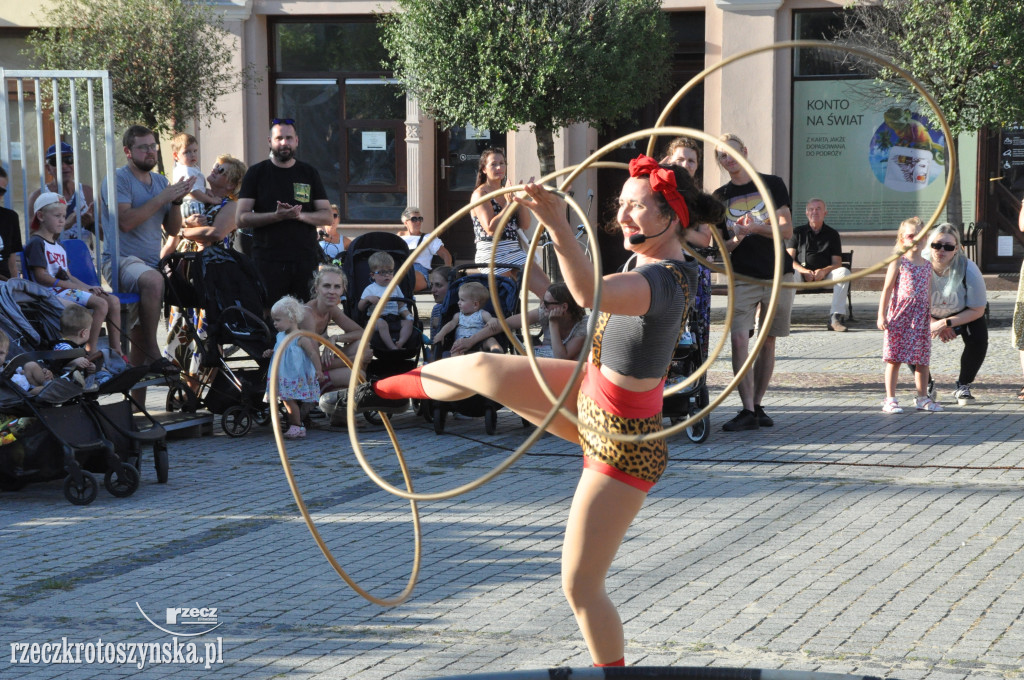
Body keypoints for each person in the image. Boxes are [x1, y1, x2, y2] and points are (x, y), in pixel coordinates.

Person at [343, 154, 723, 667]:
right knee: (484, 368)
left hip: (626, 442)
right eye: (621, 205)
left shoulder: (667, 280)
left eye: (636, 207)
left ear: (670, 217)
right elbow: (570, 293)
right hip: (591, 390)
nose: (624, 216)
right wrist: (531, 254)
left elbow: (589, 293)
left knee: (580, 585)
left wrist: (557, 226)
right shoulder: (643, 261)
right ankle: (375, 392)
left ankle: (612, 675)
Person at [713, 133, 794, 431]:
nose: (727, 159)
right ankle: (746, 409)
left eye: (731, 152)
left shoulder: (771, 184)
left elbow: (785, 230)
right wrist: (737, 236)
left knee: (767, 341)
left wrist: (757, 227)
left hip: (778, 274)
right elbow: (721, 247)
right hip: (743, 276)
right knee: (738, 339)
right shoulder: (719, 197)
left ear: (744, 151)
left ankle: (757, 405)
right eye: (721, 155)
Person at [101, 124, 193, 389]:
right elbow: (126, 222)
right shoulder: (118, 178)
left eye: (153, 146)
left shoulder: (161, 182)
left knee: (139, 334)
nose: (151, 152)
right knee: (154, 280)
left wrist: (175, 202)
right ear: (128, 151)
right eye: (144, 147)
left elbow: (174, 230)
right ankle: (156, 351)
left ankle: (135, 412)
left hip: (148, 265)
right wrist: (162, 197)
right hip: (118, 261)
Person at [236, 119, 332, 304]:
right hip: (267, 260)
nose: (284, 143)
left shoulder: (309, 173)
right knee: (269, 317)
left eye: (289, 138)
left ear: (297, 141)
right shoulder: (256, 173)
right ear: (270, 141)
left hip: (305, 260)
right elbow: (241, 218)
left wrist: (299, 215)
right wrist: (276, 216)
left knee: (306, 316)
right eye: (279, 138)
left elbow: (327, 215)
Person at [25, 192, 124, 359]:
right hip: (50, 293)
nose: (62, 220)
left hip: (64, 290)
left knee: (113, 301)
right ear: (41, 216)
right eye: (57, 215)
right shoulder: (36, 243)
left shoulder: (59, 246)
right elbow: (41, 276)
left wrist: (88, 287)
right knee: (101, 304)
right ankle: (90, 350)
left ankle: (116, 351)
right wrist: (72, 286)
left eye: (64, 216)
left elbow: (68, 275)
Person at [877, 217, 941, 413]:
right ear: (902, 238)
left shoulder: (927, 265)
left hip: (920, 317)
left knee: (922, 359)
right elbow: (887, 289)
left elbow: (928, 293)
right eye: (911, 236)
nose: (915, 239)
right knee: (894, 358)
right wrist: (881, 315)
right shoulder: (898, 262)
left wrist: (930, 317)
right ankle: (890, 398)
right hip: (900, 315)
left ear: (926, 238)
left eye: (920, 236)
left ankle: (922, 397)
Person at [470, 148, 550, 298]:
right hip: (491, 253)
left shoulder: (508, 191)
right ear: (484, 169)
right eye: (493, 164)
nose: (499, 168)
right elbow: (491, 229)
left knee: (549, 293)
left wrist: (521, 200)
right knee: (505, 301)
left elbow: (525, 225)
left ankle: (546, 318)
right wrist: (508, 204)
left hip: (514, 251)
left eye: (502, 163)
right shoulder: (480, 194)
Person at [923, 223, 987, 405]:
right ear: (929, 245)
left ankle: (963, 385)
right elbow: (909, 305)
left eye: (948, 247)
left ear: (956, 249)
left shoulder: (969, 269)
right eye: (936, 245)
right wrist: (933, 322)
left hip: (962, 313)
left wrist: (945, 323)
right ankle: (925, 385)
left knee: (978, 337)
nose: (941, 250)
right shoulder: (920, 266)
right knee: (909, 335)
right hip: (926, 314)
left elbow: (978, 309)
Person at [662, 136, 714, 360]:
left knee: (694, 332)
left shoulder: (701, 199)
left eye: (691, 161)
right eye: (680, 159)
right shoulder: (658, 192)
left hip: (693, 268)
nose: (685, 165)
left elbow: (705, 240)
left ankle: (693, 381)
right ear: (669, 160)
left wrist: (676, 230)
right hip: (663, 267)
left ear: (697, 166)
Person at [452, 281, 588, 361]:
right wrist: (471, 341)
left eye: (547, 303)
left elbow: (562, 358)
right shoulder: (544, 312)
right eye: (542, 301)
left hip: (567, 375)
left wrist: (553, 324)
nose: (542, 306)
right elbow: (505, 324)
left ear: (564, 307)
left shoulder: (582, 325)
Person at [786, 198, 851, 332]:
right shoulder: (797, 233)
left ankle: (835, 318)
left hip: (825, 276)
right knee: (788, 273)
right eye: (811, 209)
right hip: (801, 276)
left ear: (825, 213)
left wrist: (824, 271)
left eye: (818, 209)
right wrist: (803, 271)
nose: (814, 212)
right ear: (806, 213)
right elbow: (788, 259)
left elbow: (837, 262)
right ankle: (784, 319)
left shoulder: (832, 234)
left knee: (844, 273)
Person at [263, 295, 323, 439]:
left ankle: (297, 426)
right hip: (283, 374)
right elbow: (280, 350)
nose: (274, 324)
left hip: (294, 375)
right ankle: (296, 425)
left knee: (288, 400)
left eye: (278, 320)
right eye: (274, 320)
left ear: (292, 318)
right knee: (287, 399)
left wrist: (319, 370)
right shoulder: (280, 336)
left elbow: (313, 354)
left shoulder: (300, 337)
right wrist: (271, 352)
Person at [301, 265, 365, 391]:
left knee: (361, 346)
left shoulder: (331, 309)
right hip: (302, 370)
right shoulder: (307, 314)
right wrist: (354, 360)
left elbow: (362, 333)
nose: (332, 291)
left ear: (343, 290)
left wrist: (334, 338)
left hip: (316, 366)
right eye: (326, 286)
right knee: (359, 375)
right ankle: (315, 393)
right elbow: (314, 362)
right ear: (316, 288)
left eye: (337, 287)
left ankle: (332, 393)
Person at [27, 142, 95, 242]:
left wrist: (92, 225)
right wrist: (66, 225)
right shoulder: (39, 196)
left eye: (69, 160)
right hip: (52, 257)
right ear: (48, 168)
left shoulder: (87, 192)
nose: (63, 166)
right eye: (55, 162)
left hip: (83, 257)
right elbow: (33, 238)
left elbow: (106, 235)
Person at [359, 252, 415, 351]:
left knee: (408, 323)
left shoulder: (395, 288)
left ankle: (400, 343)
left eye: (390, 271)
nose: (387, 275)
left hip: (394, 319)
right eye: (382, 272)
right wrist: (368, 299)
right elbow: (360, 307)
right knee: (382, 323)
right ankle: (391, 347)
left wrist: (408, 315)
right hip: (376, 320)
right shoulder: (370, 289)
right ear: (372, 275)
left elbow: (401, 305)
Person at [431, 281, 502, 355]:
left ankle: (497, 353)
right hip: (461, 344)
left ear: (475, 304)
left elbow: (492, 320)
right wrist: (441, 333)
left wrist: (493, 320)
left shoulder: (483, 314)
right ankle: (457, 364)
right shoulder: (458, 315)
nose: (458, 302)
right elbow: (450, 325)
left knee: (491, 340)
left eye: (462, 300)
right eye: (459, 299)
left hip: (480, 342)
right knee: (455, 349)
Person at [52, 304, 112, 390]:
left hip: (81, 376)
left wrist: (90, 367)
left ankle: (93, 384)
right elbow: (59, 360)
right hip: (66, 379)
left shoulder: (79, 347)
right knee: (105, 376)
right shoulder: (62, 345)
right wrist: (74, 362)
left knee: (104, 374)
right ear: (84, 333)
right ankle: (92, 385)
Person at [397, 206, 452, 292]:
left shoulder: (428, 238)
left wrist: (448, 273)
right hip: (399, 268)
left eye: (420, 219)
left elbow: (446, 254)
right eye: (414, 219)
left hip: (418, 271)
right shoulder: (399, 237)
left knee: (407, 276)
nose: (418, 222)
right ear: (406, 222)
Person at [0, 329, 53, 396]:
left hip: (27, 385)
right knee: (40, 390)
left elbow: (21, 372)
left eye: (1, 353)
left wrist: (43, 373)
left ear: (6, 353)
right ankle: (52, 388)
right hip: (22, 396)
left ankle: (48, 382)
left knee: (30, 365)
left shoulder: (7, 365)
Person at [0, 167, 23, 281]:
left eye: (1, 191)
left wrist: (16, 286)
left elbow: (12, 262)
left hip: (6, 286)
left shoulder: (10, 217)